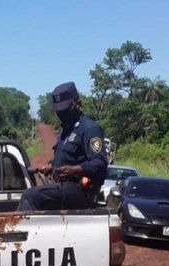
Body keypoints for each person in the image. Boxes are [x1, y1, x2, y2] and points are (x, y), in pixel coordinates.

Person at [18, 81, 108, 211]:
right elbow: (66, 160)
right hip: (63, 187)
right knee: (32, 192)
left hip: (80, 189)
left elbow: (100, 162)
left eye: (65, 110)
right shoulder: (65, 131)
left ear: (77, 104)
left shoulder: (89, 129)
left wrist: (73, 170)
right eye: (59, 111)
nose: (61, 115)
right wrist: (51, 168)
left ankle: (23, 231)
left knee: (30, 196)